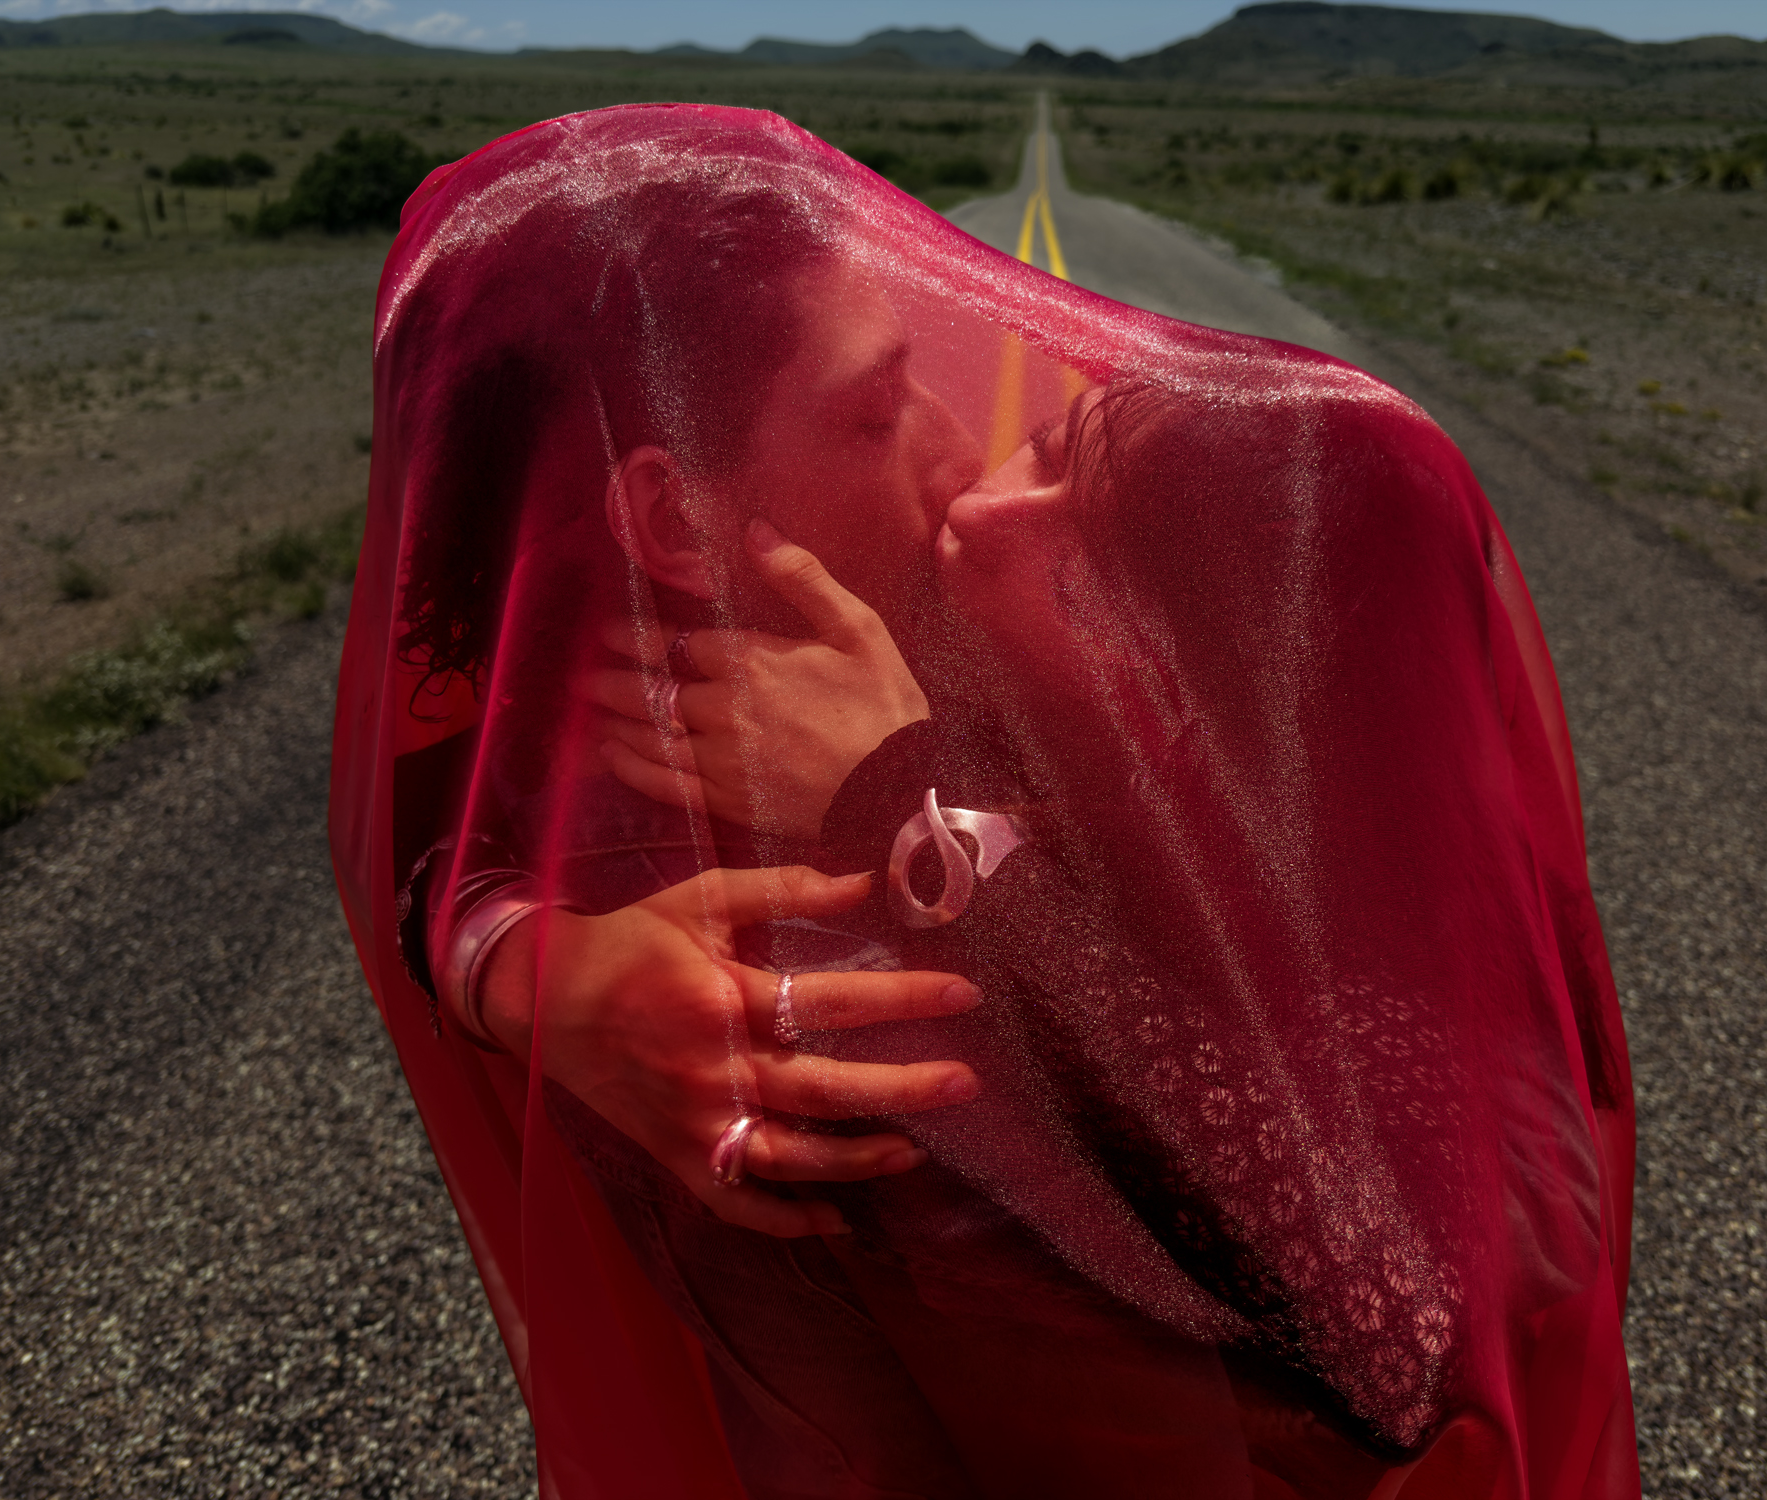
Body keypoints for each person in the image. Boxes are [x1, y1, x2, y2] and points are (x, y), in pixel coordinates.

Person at [332, 103, 1640, 1498]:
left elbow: (438, 817)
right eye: (881, 408)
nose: (964, 452)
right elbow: (1350, 1358)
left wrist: (495, 948)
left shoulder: (823, 731)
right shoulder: (802, 952)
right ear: (670, 522)